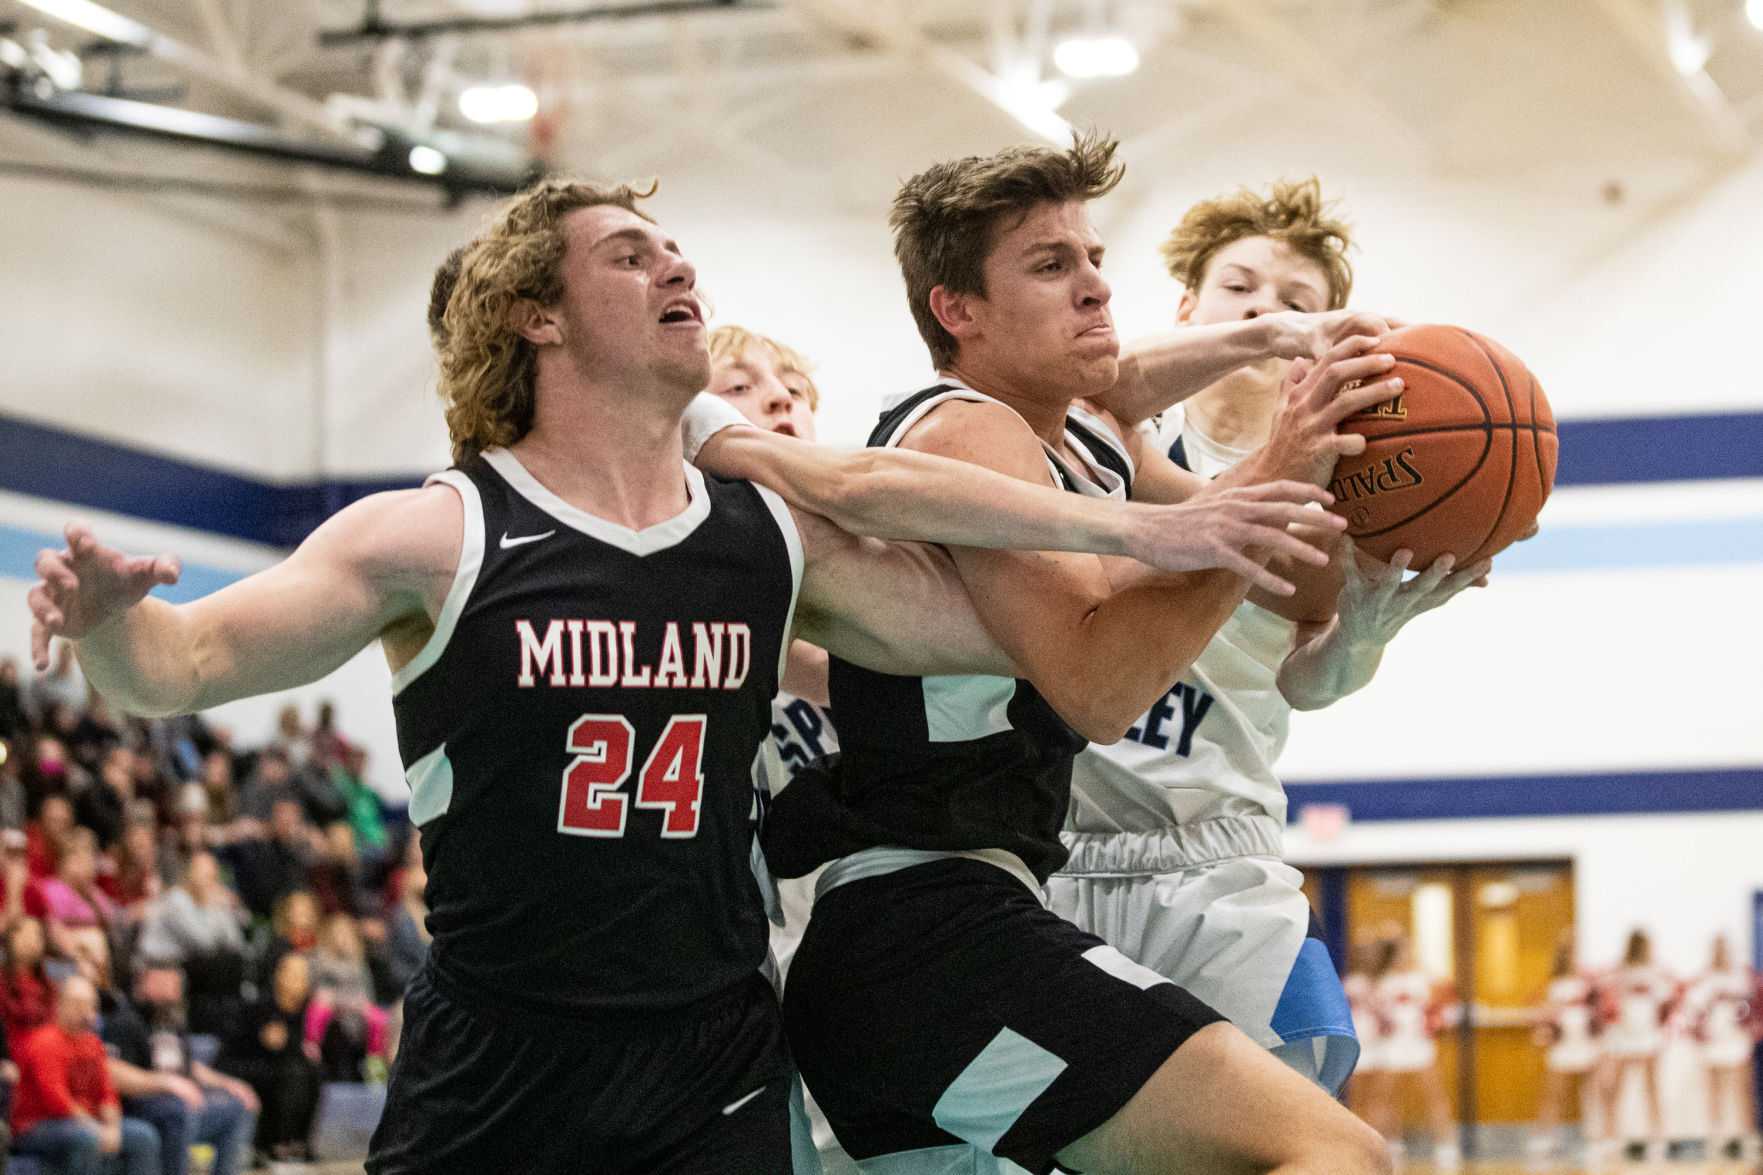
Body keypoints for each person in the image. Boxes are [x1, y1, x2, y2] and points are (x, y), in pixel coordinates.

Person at [31, 176, 1329, 1174]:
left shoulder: (760, 538)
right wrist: (101, 622)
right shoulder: (431, 534)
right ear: (534, 314)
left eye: (674, 249)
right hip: (502, 1045)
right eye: (628, 253)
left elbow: (1016, 644)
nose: (676, 264)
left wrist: (1227, 533)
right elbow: (181, 662)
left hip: (710, 1044)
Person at [767, 133, 1399, 1175]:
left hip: (959, 924)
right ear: (954, 310)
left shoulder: (1084, 438)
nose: (1096, 287)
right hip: (920, 930)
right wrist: (1279, 457)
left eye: (1094, 257)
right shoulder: (964, 430)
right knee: (1323, 1150)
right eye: (1050, 265)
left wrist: (1381, 567)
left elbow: (1283, 568)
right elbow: (1100, 688)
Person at [1050, 178, 1490, 1097]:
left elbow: (1308, 683)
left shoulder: (1346, 498)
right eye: (1239, 288)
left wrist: (1364, 635)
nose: (1265, 311)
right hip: (1054, 848)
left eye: (1297, 303)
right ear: (1185, 309)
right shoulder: (1101, 435)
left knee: (1297, 1135)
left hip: (1220, 853)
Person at [11, 974, 160, 1175]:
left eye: (89, 1004)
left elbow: (107, 1094)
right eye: (77, 1004)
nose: (84, 1011)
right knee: (86, 1139)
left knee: (144, 1136)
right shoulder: (44, 1042)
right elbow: (57, 1101)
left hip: (85, 1123)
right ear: (59, 1005)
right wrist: (97, 1130)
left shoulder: (93, 1044)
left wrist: (113, 1128)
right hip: (38, 1127)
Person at [1359, 932, 1458, 1170]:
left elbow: (1448, 992)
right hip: (1392, 1045)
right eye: (1399, 951)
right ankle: (1390, 1145)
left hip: (1419, 1044)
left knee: (1435, 1095)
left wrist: (1437, 1021)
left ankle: (1447, 1147)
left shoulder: (1425, 977)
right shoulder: (1383, 981)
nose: (1404, 955)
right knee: (1385, 1098)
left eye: (1408, 949)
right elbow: (1373, 1011)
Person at [215, 952, 321, 1164]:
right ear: (278, 976)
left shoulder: (305, 1014)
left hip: (277, 1070)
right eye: (293, 974)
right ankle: (274, 1145)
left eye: (303, 976)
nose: (299, 981)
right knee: (289, 1072)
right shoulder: (259, 1008)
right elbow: (236, 1052)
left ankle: (299, 1141)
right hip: (239, 1066)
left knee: (311, 1069)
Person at [1597, 929, 1675, 1161]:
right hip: (1625, 1035)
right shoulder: (1620, 970)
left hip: (1648, 1035)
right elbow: (1604, 988)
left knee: (1651, 1089)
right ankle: (1612, 1139)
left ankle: (1657, 1140)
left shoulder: (1656, 971)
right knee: (1615, 1089)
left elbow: (1666, 997)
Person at [1528, 936, 1606, 1165]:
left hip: (1585, 1042)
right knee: (1553, 1094)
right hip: (1563, 1044)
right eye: (1571, 952)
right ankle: (1544, 1137)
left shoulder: (1590, 984)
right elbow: (1545, 1014)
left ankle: (1596, 1139)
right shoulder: (1553, 984)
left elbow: (1598, 1012)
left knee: (1591, 1092)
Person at [1682, 934, 1759, 1162]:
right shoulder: (1704, 977)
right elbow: (1693, 1007)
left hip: (1736, 1040)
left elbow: (1751, 1003)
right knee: (1714, 1092)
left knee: (1743, 1092)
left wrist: (1736, 1003)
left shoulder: (1741, 975)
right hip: (1713, 1041)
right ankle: (1717, 1141)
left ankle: (1749, 1140)